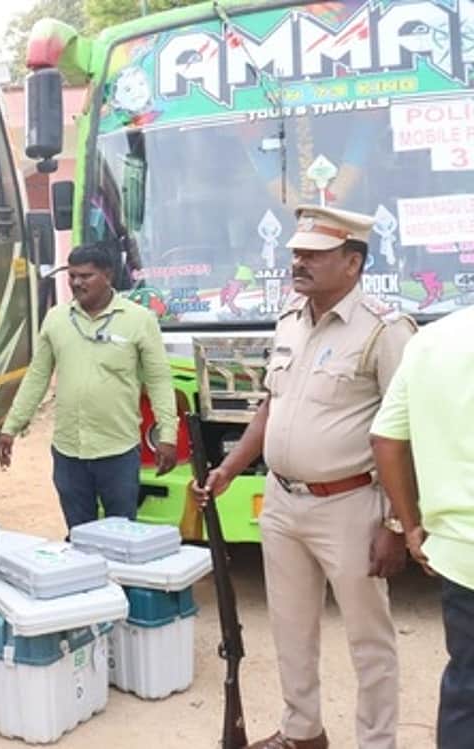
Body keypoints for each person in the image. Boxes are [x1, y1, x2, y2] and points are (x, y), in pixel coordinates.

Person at [196, 205, 415, 749]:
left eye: (315, 253)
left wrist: (395, 521)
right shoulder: (291, 320)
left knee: (369, 640)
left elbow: (406, 429)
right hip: (282, 501)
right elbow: (272, 405)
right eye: (298, 251)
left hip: (350, 505)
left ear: (354, 262)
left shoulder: (385, 330)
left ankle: (377, 742)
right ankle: (303, 733)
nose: (300, 260)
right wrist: (230, 466)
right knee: (290, 629)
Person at [0, 244, 178, 529]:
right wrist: (11, 426)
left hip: (117, 453)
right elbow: (37, 376)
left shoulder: (139, 320)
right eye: (72, 276)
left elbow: (158, 379)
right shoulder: (57, 319)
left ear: (107, 275)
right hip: (69, 454)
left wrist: (168, 435)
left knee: (121, 537)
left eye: (86, 276)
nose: (77, 283)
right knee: (79, 537)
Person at [370, 305, 474, 749]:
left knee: (467, 689)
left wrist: (410, 525)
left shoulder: (432, 339)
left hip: (459, 552)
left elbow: (386, 439)